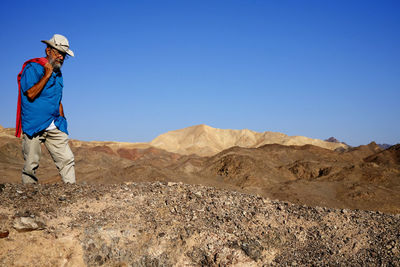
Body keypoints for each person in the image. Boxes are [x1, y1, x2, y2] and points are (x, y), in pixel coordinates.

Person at [15, 34, 76, 184]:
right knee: (31, 164)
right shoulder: (33, 68)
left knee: (67, 159)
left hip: (54, 123)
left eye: (63, 55)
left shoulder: (58, 72)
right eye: (58, 53)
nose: (61, 58)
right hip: (34, 124)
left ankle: (73, 194)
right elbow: (30, 93)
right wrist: (47, 75)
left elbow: (57, 98)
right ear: (48, 50)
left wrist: (62, 119)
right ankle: (28, 196)